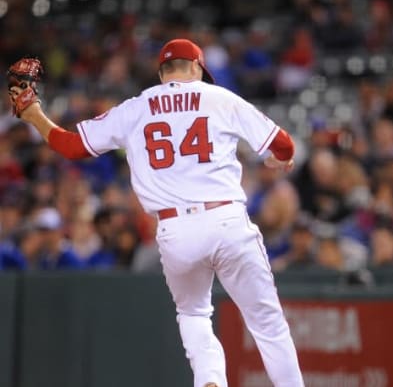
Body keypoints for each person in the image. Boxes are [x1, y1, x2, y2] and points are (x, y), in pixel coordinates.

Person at [7, 39, 304, 387]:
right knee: (267, 323)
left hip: (176, 229)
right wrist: (279, 158)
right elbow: (284, 143)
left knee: (193, 313)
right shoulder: (219, 97)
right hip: (226, 219)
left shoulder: (137, 107)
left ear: (162, 72)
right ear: (196, 69)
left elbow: (72, 146)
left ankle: (210, 380)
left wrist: (35, 116)